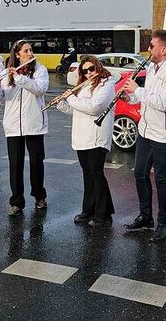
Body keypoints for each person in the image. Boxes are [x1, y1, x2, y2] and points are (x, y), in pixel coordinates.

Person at [121, 30, 166, 242]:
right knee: (140, 173)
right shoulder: (152, 67)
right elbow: (148, 100)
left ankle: (163, 224)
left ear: (164, 49)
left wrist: (137, 91)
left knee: (161, 179)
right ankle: (145, 216)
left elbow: (164, 102)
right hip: (146, 129)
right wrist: (131, 96)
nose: (148, 49)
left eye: (152, 45)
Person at [55, 56, 116, 226]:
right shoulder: (84, 86)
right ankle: (88, 210)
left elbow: (94, 107)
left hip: (97, 136)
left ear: (98, 67)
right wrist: (62, 103)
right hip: (82, 135)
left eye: (92, 69)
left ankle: (103, 214)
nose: (89, 73)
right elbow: (76, 110)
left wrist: (71, 98)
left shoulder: (107, 84)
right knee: (88, 174)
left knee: (96, 174)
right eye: (85, 71)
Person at [0, 40, 49, 216]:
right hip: (12, 125)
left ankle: (39, 196)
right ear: (17, 54)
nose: (30, 53)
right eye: (26, 51)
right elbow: (0, 98)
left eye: (30, 50)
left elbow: (40, 89)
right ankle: (17, 201)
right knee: (15, 164)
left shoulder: (39, 70)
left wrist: (20, 78)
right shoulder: (7, 72)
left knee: (36, 162)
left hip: (34, 123)